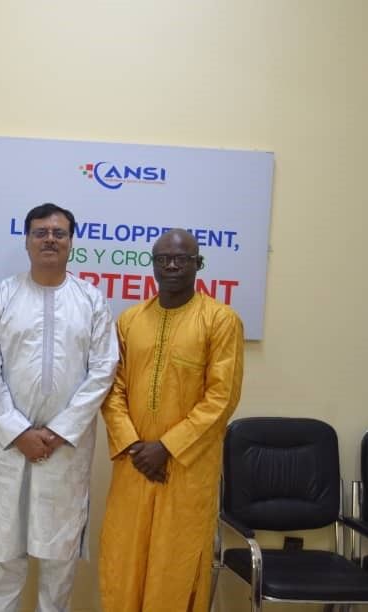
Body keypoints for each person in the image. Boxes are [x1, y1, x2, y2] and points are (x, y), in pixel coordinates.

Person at [0, 202, 118, 611]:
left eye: (58, 233)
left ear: (72, 241)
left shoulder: (90, 300)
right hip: (11, 446)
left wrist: (58, 432)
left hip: (65, 448)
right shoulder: (3, 296)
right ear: (27, 241)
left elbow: (103, 371)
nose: (50, 239)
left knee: (59, 559)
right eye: (41, 232)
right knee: (5, 556)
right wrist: (18, 432)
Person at [98, 229, 244, 612]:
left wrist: (166, 447)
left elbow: (221, 397)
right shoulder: (130, 320)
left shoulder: (220, 320)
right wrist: (134, 445)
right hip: (135, 464)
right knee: (126, 557)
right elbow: (113, 389)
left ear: (198, 264)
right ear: (153, 264)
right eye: (163, 258)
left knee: (175, 564)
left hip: (185, 467)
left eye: (182, 258)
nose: (172, 265)